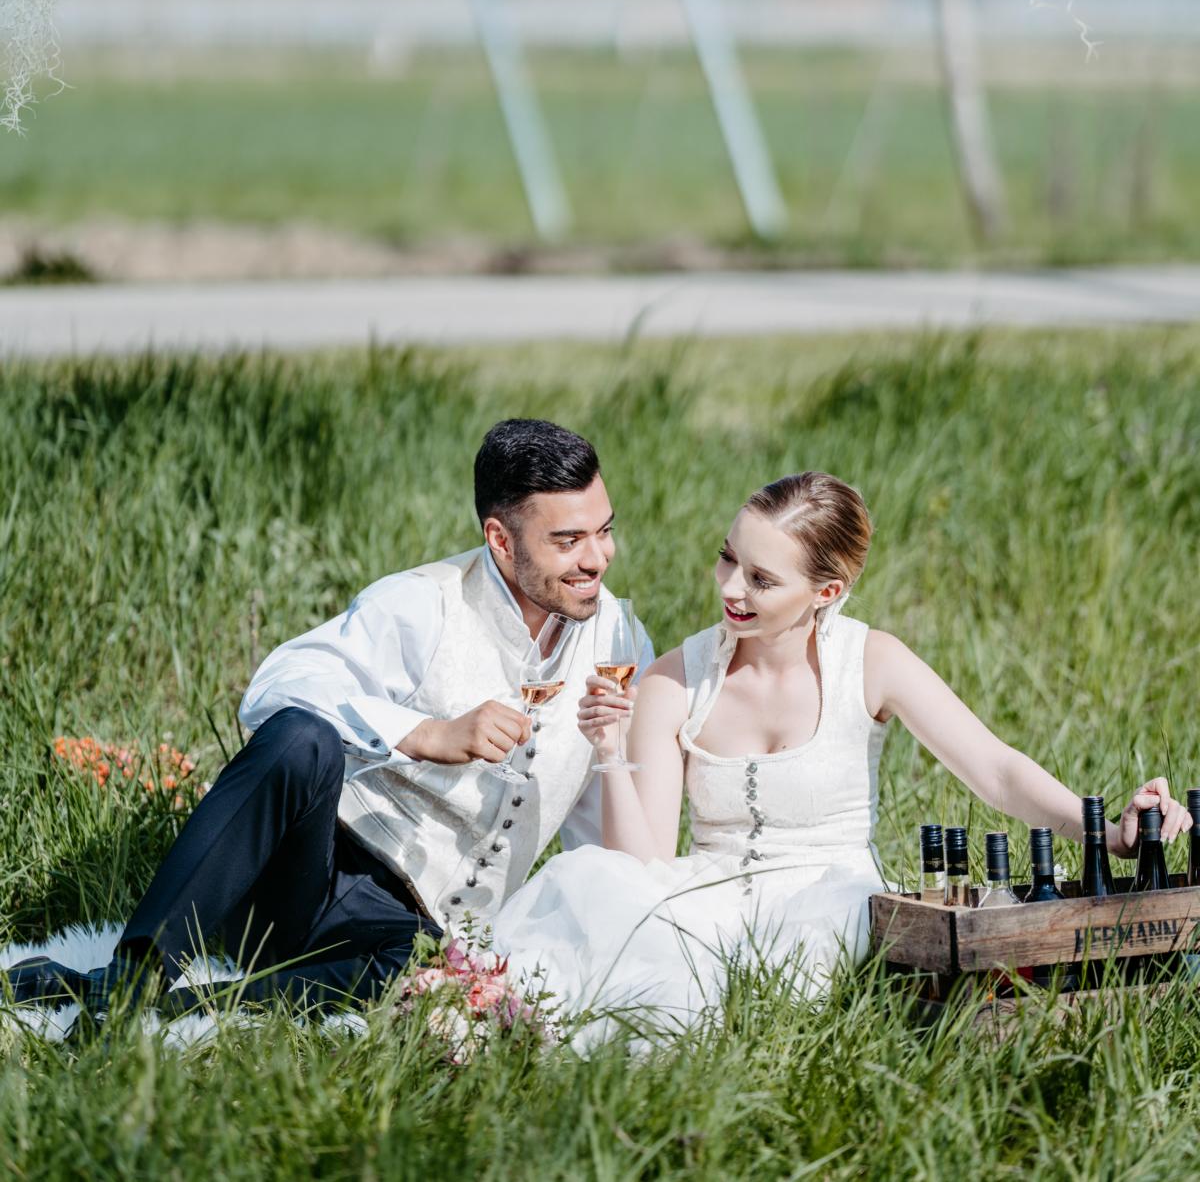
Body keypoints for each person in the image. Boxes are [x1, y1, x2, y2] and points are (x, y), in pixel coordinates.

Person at [492, 470, 1190, 1040]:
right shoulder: (676, 677)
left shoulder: (870, 660)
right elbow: (636, 867)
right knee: (594, 909)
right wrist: (610, 752)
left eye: (762, 579)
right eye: (728, 556)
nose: (731, 587)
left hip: (831, 897)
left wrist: (1105, 832)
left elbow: (995, 767)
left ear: (825, 592)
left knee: (788, 959)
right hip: (705, 897)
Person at [6, 418, 651, 1022]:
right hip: (303, 878)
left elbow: (604, 846)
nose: (597, 558)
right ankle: (132, 982)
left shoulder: (620, 643)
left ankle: (139, 1004)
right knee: (300, 736)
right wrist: (428, 735)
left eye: (604, 530)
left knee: (421, 974)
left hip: (412, 935)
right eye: (568, 541)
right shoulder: (423, 604)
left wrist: (614, 753)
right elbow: (274, 686)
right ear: (500, 541)